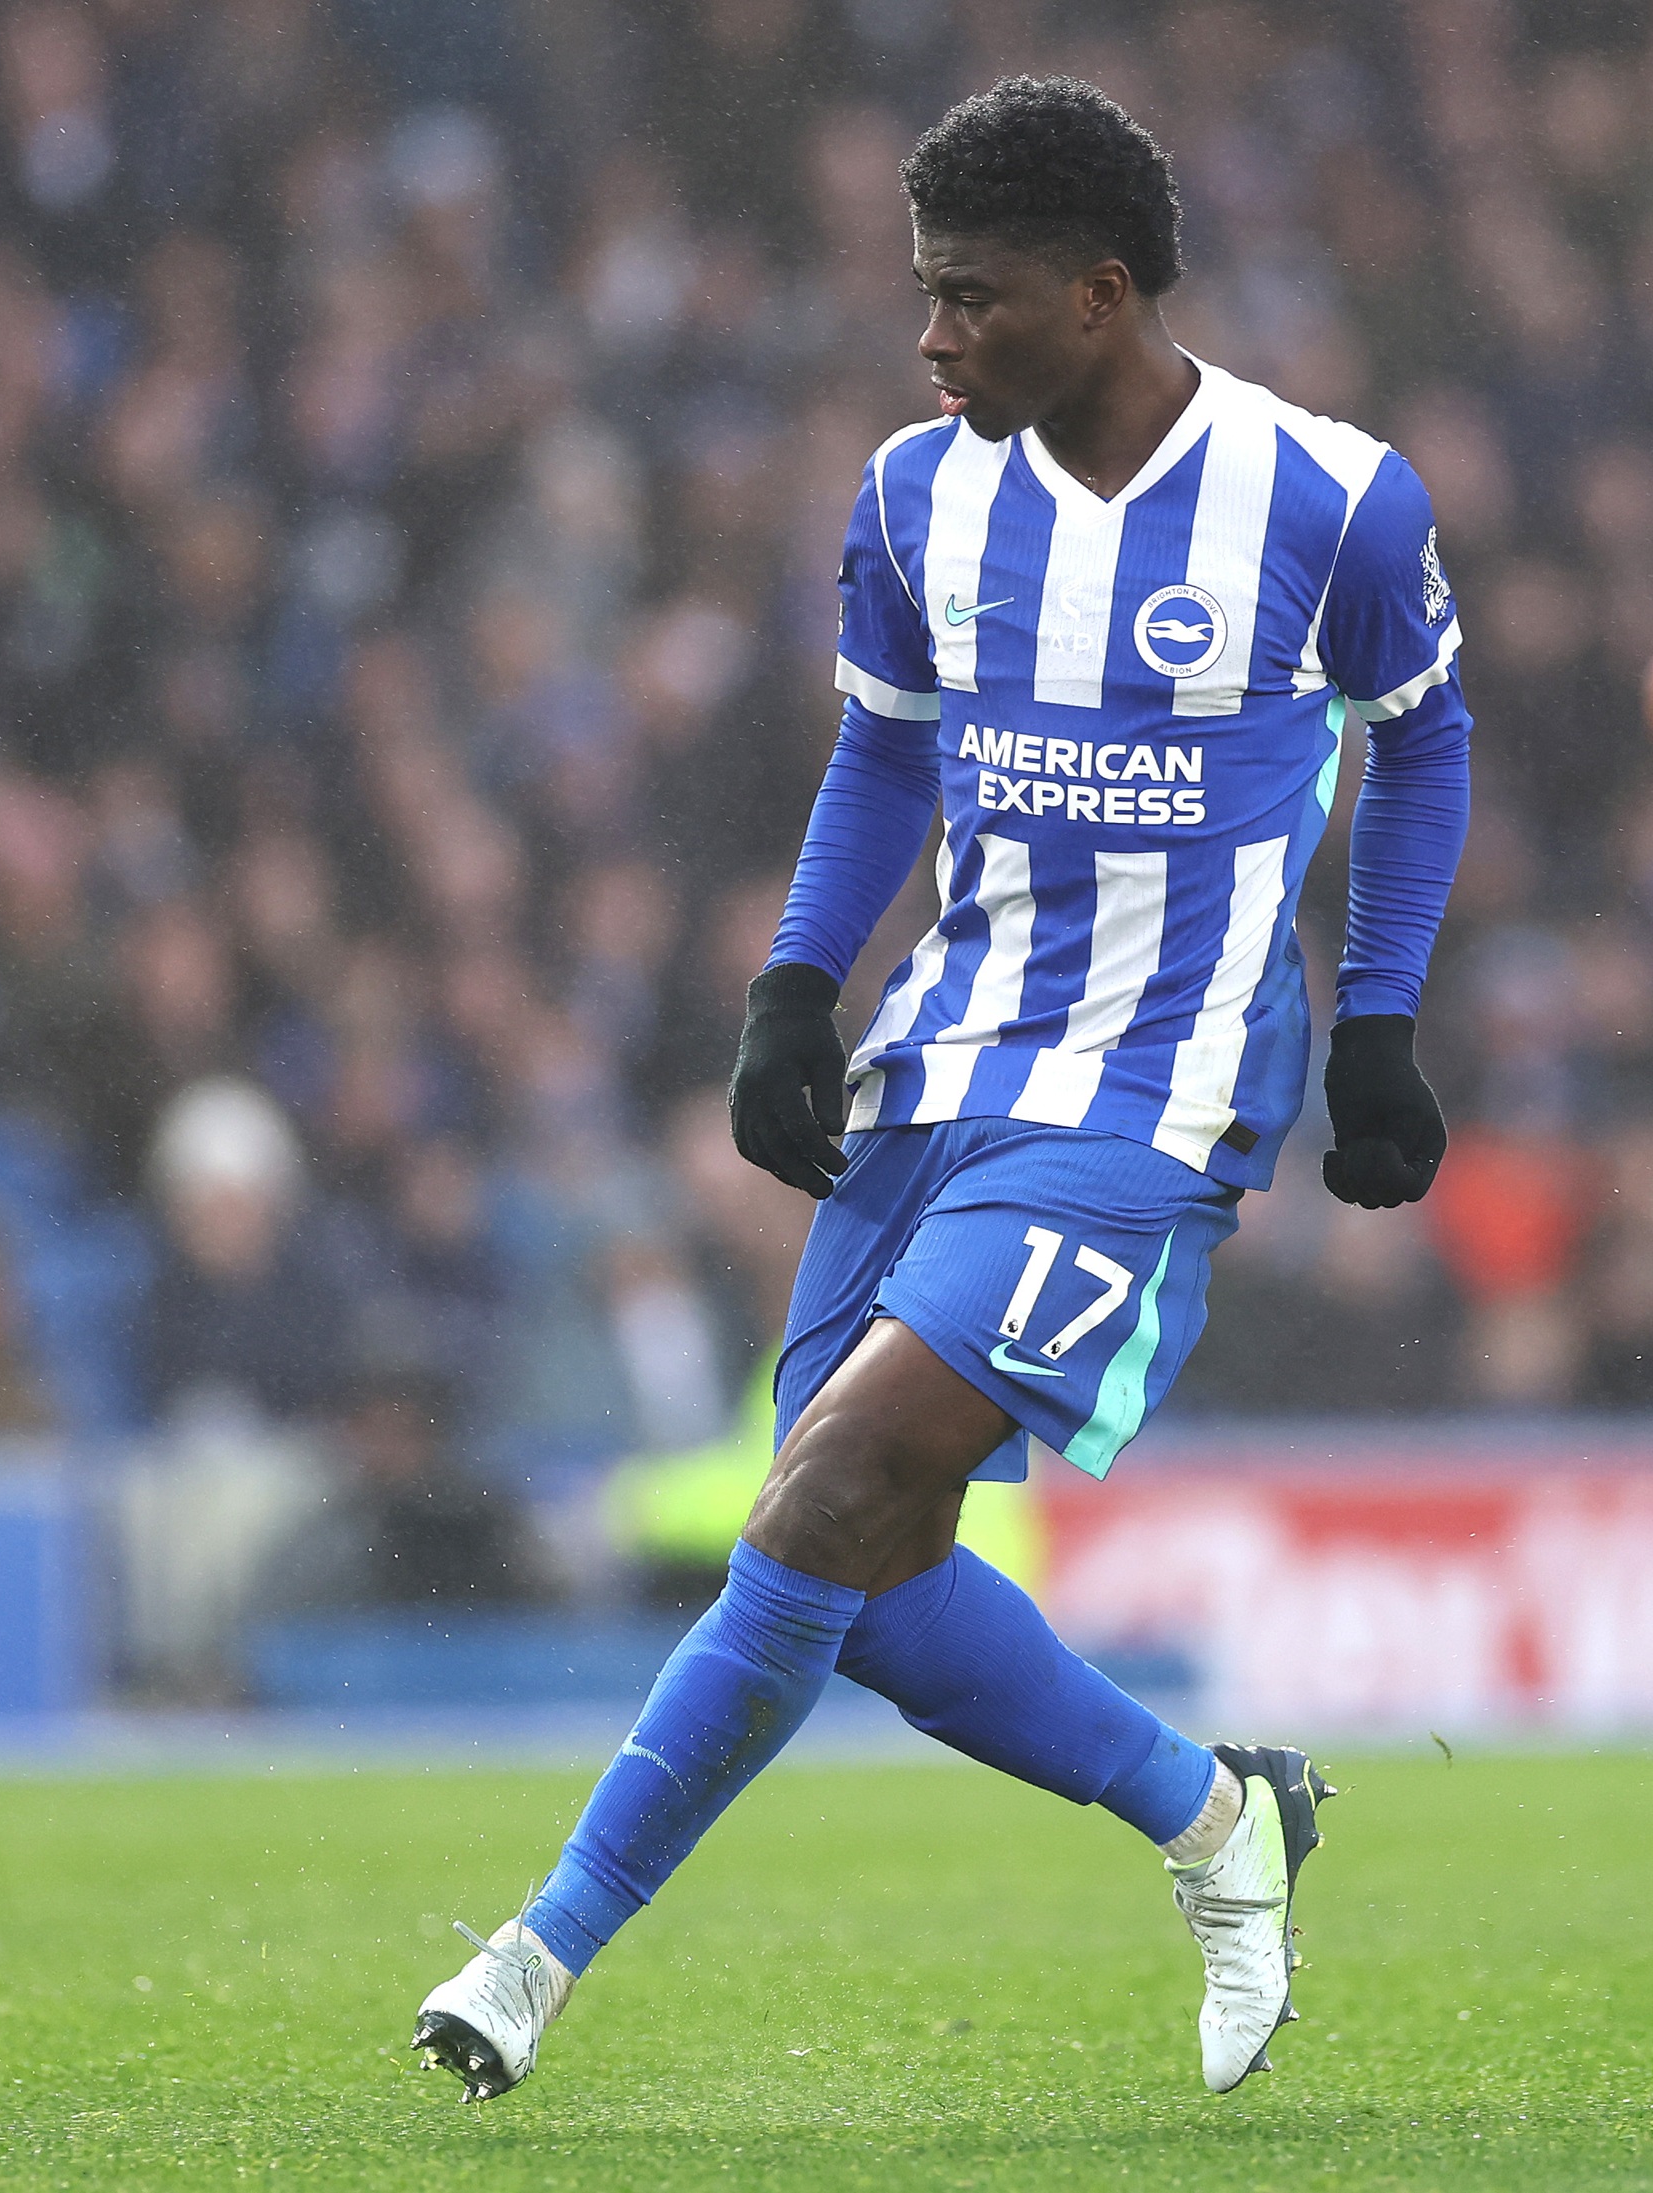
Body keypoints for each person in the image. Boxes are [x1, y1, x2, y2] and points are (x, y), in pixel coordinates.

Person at [414, 79, 1469, 2104]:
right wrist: (795, 987)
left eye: (969, 296)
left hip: (1147, 1097)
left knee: (824, 1492)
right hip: (942, 1060)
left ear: (1098, 293)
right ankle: (1215, 1811)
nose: (930, 335)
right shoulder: (915, 497)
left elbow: (1420, 737)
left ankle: (534, 1952)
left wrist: (1377, 1017)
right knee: (856, 1569)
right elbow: (886, 748)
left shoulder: (1329, 501)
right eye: (922, 292)